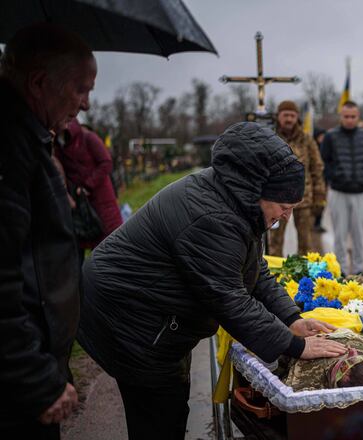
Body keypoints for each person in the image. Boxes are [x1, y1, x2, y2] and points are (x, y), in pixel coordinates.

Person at [77, 123, 347, 440]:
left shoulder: (235, 201)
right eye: (283, 207)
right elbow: (229, 298)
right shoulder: (211, 217)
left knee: (171, 406)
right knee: (160, 416)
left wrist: (292, 318)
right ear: (256, 190)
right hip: (129, 318)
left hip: (151, 314)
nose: (286, 216)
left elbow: (253, 270)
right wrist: (295, 346)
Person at [0, 24, 96, 439]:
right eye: (81, 88)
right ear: (39, 83)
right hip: (14, 386)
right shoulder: (8, 143)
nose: (86, 104)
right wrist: (35, 376)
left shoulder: (27, 137)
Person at [320, 101, 363, 275]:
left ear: (358, 116)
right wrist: (335, 177)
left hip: (361, 192)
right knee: (340, 234)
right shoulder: (331, 136)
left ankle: (359, 271)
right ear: (341, 116)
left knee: (360, 234)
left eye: (353, 116)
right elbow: (325, 161)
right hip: (338, 192)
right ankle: (341, 271)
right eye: (346, 116)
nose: (350, 120)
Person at [54, 119, 123, 263]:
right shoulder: (58, 146)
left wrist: (88, 185)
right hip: (81, 204)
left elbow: (106, 162)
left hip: (101, 200)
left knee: (110, 243)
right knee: (88, 244)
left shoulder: (88, 138)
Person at [269, 100, 326, 257]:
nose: (289, 119)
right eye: (285, 115)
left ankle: (303, 279)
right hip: (276, 199)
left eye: (292, 115)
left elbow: (317, 168)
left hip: (304, 198)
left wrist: (320, 197)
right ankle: (273, 278)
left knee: (306, 243)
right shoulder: (269, 137)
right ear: (278, 116)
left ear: (297, 117)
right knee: (274, 242)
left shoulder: (307, 139)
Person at [284, 330, 363, 391]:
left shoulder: (300, 382)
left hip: (308, 334)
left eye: (346, 361)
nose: (351, 350)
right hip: (356, 332)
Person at [313, 128, 328, 233]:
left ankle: (318, 222)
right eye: (320, 136)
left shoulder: (327, 148)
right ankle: (313, 222)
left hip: (324, 182)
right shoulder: (313, 148)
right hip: (313, 182)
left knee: (321, 204)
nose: (322, 139)